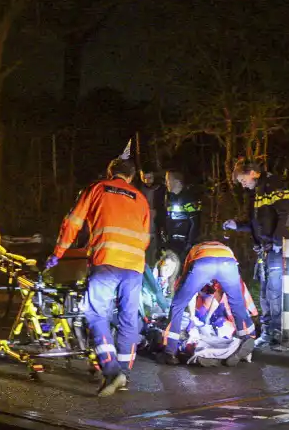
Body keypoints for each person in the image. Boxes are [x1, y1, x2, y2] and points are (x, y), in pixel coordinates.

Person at [47, 159, 150, 397]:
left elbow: (72, 222)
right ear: (132, 177)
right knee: (127, 318)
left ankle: (112, 371)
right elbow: (145, 237)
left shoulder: (97, 188)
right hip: (135, 265)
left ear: (110, 172)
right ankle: (124, 373)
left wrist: (57, 253)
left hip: (106, 260)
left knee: (95, 313)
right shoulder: (141, 199)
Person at [223, 160, 289, 347]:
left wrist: (278, 242)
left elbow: (286, 214)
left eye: (242, 179)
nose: (242, 184)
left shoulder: (273, 185)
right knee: (264, 292)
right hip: (264, 249)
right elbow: (256, 223)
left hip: (275, 248)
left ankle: (277, 333)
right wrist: (237, 225)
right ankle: (268, 331)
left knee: (274, 291)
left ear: (253, 172)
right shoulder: (255, 193)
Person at [161, 240, 255, 366]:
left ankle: (170, 351)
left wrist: (192, 313)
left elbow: (187, 287)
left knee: (177, 305)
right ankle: (247, 340)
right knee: (237, 305)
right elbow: (221, 293)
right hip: (229, 264)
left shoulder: (195, 251)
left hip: (203, 264)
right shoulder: (225, 249)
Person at [162, 170, 202, 261]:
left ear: (176, 182)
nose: (166, 183)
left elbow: (195, 223)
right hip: (171, 243)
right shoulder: (169, 198)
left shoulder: (188, 198)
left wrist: (189, 244)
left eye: (168, 180)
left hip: (183, 245)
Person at [133, 169, 164, 269]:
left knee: (154, 252)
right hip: (141, 227)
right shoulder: (138, 189)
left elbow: (164, 206)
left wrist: (157, 212)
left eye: (149, 178)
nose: (147, 181)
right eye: (144, 178)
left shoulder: (161, 189)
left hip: (155, 226)